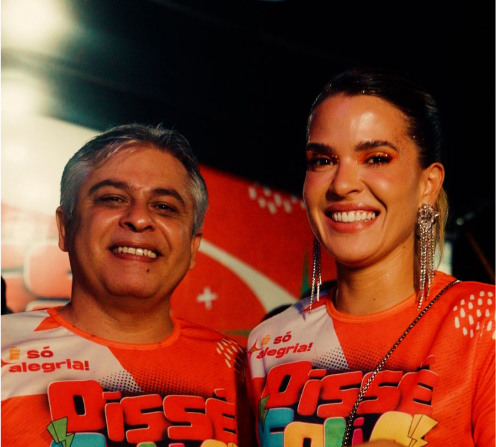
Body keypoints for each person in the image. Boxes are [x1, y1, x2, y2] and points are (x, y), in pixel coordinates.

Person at [247, 69, 495, 447]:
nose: (342, 184)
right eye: (322, 160)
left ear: (427, 184)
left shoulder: (481, 321)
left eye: (376, 158)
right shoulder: (268, 342)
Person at [2, 124, 254, 446]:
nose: (138, 218)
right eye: (113, 198)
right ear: (65, 227)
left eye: (164, 206)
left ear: (193, 247)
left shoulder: (246, 374)